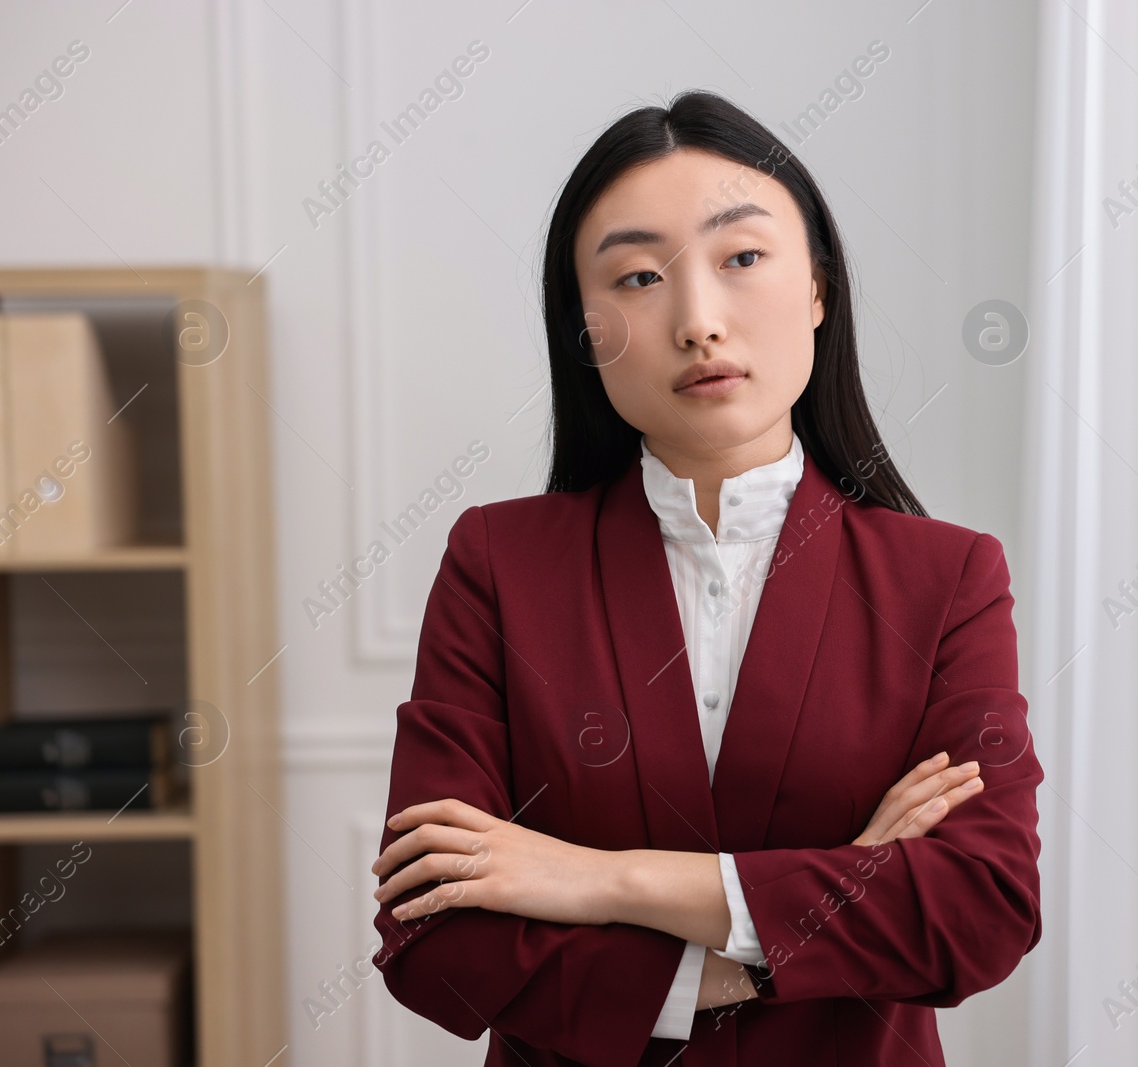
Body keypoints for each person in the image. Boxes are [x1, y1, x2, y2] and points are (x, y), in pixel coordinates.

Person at [368, 89, 1043, 1067]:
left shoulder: (944, 579)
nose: (697, 321)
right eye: (638, 276)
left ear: (817, 288)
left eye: (742, 259)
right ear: (583, 329)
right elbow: (433, 938)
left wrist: (598, 880)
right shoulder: (498, 564)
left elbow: (979, 912)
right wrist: (830, 898)